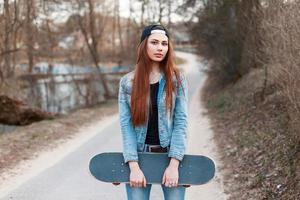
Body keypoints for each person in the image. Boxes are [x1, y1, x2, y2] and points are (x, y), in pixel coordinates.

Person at [118, 24, 188, 200]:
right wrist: (133, 167)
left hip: (170, 155)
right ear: (144, 46)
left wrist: (174, 165)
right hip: (139, 157)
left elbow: (181, 122)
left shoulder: (177, 79)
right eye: (154, 42)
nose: (160, 48)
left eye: (164, 44)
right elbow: (126, 125)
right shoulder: (127, 83)